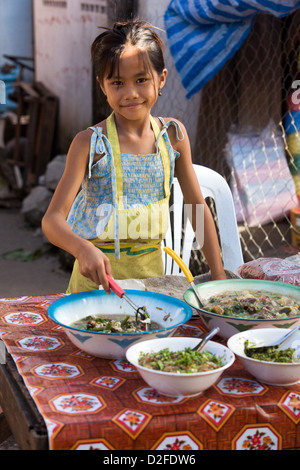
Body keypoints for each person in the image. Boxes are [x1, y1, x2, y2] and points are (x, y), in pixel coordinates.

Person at [42, 19, 226, 294]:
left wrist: (219, 275)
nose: (130, 93)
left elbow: (196, 209)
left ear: (161, 78)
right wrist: (82, 248)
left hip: (153, 288)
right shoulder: (90, 144)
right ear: (102, 86)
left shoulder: (173, 137)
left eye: (141, 80)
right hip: (94, 290)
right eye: (117, 82)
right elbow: (52, 220)